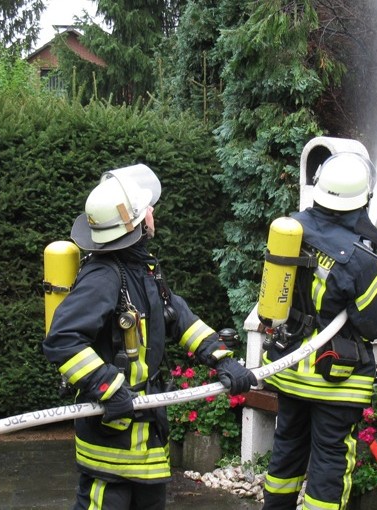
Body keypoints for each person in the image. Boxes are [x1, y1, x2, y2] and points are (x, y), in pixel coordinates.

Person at [43, 164, 257, 510]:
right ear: (137, 224)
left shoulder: (142, 271)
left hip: (147, 445)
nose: (153, 212)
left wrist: (223, 359)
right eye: (147, 209)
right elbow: (62, 340)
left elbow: (178, 317)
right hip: (112, 446)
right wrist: (107, 387)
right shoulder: (103, 277)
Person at [260, 151, 377, 510]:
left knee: (286, 449)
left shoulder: (290, 230)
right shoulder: (360, 259)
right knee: (331, 462)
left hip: (289, 370)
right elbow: (375, 323)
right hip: (335, 379)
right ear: (361, 201)